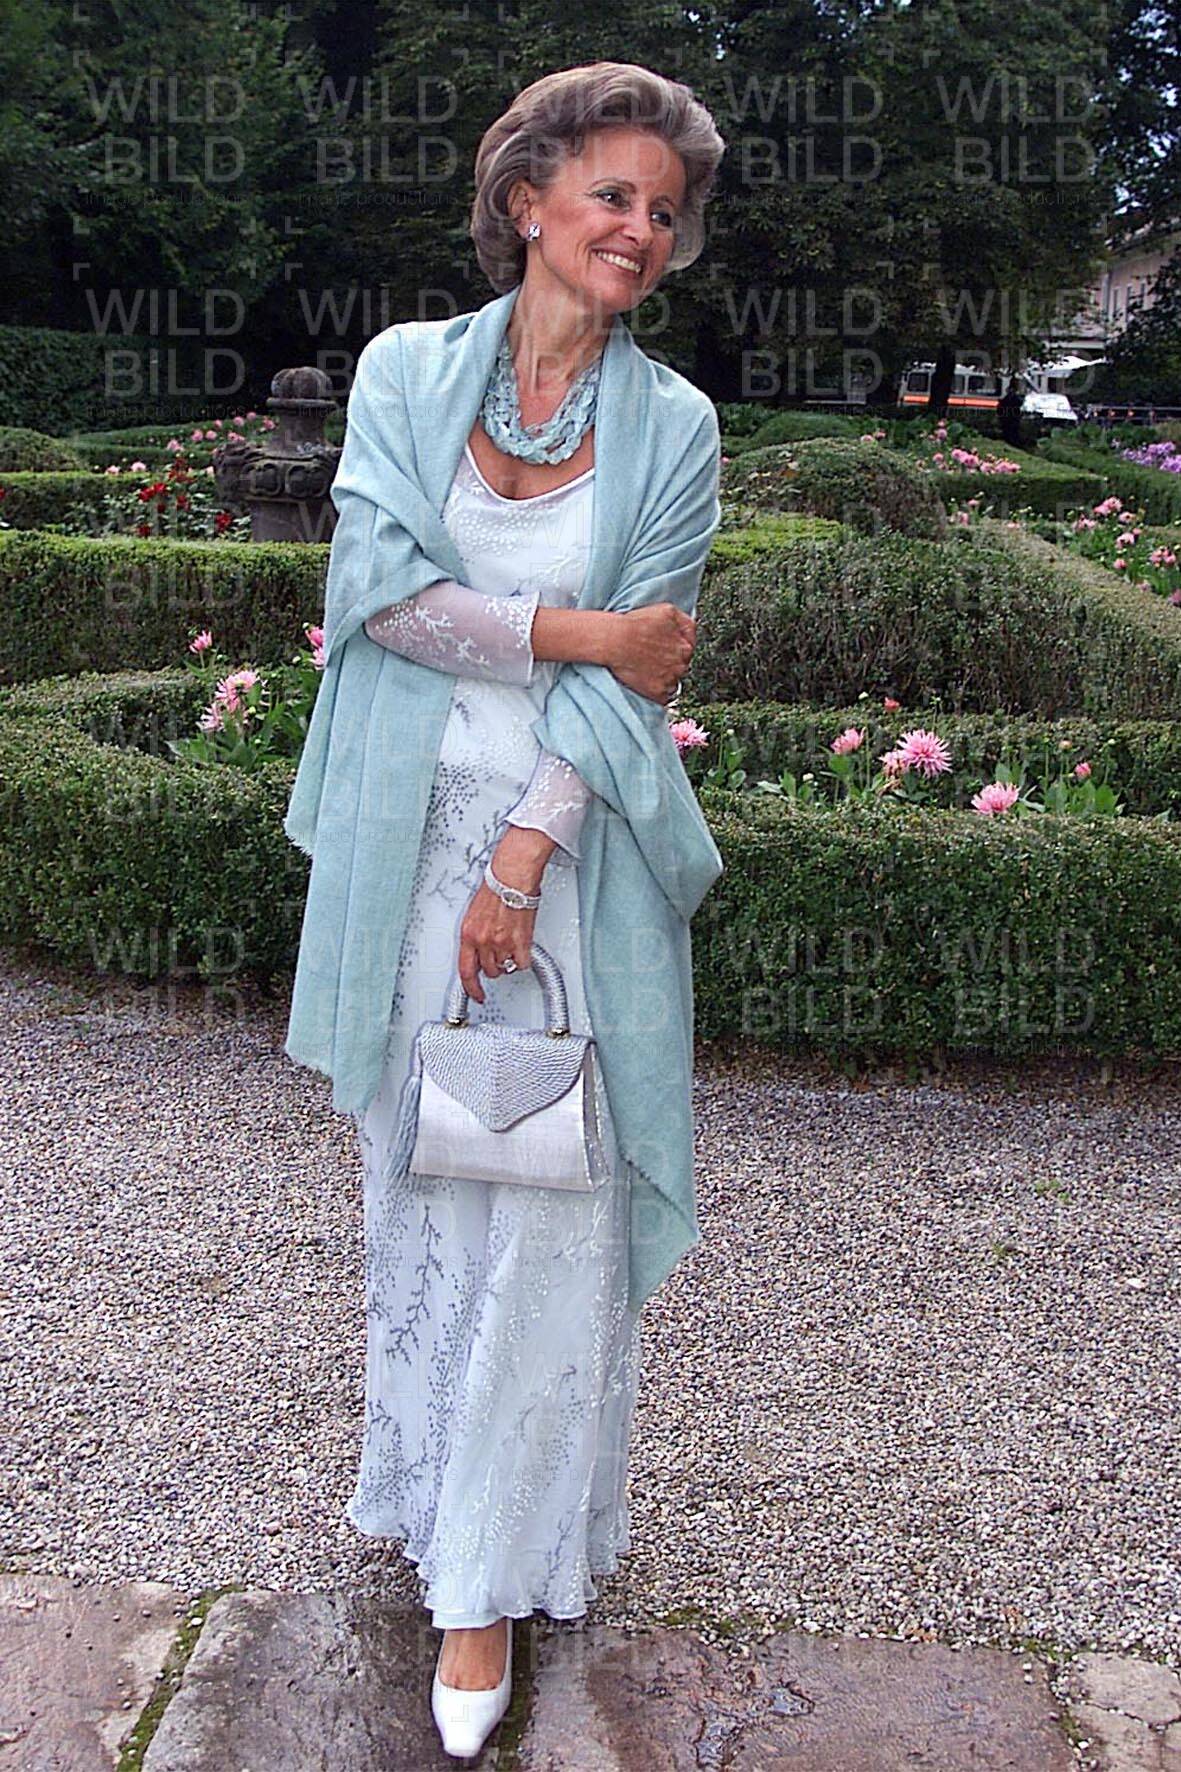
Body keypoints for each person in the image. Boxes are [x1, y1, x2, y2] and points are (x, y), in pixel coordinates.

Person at [283, 60, 726, 1761]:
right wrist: (574, 631)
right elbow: (380, 596)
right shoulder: (407, 373)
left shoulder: (672, 427)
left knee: (551, 1205)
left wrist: (523, 859)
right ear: (527, 200)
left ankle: (488, 1575)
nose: (640, 229)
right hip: (403, 847)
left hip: (566, 858)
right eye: (612, 194)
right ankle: (423, 1494)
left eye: (663, 212)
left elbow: (644, 678)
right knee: (425, 1189)